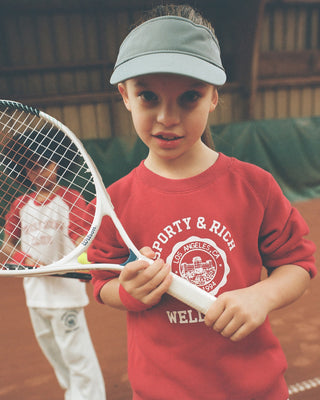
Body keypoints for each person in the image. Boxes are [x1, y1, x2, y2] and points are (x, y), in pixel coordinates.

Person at [87, 4, 316, 400]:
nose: (167, 117)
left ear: (213, 98)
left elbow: (298, 264)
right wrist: (128, 293)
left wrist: (262, 295)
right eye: (148, 96)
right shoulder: (116, 200)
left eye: (189, 97)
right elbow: (101, 279)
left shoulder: (254, 186)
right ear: (125, 96)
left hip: (255, 390)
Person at [0, 128, 106, 400]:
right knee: (56, 355)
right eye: (33, 168)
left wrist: (75, 259)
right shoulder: (20, 204)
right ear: (26, 173)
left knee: (76, 354)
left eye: (46, 164)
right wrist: (26, 260)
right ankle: (74, 394)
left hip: (65, 295)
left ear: (57, 164)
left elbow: (83, 235)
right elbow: (7, 244)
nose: (41, 172)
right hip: (35, 296)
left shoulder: (71, 198)